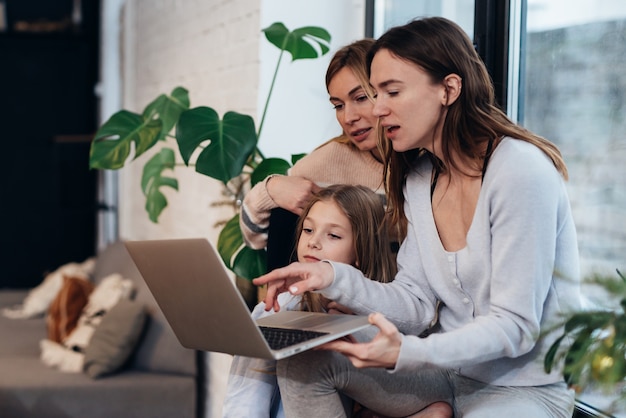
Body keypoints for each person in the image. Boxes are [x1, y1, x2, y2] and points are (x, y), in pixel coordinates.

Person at [253, 16, 582, 417]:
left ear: (448, 89)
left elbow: (516, 327)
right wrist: (332, 277)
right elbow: (416, 303)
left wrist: (410, 351)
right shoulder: (420, 179)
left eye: (391, 91)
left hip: (524, 389)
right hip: (443, 373)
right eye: (375, 93)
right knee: (304, 360)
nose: (377, 108)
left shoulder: (520, 170)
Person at [225, 185, 439, 417]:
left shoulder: (383, 314)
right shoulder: (277, 307)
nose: (313, 242)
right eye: (308, 230)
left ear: (361, 249)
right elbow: (244, 397)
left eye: (333, 235)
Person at [239, 39, 390, 253]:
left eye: (361, 97)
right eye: (338, 106)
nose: (348, 117)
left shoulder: (432, 161)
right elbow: (254, 238)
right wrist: (270, 189)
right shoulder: (327, 160)